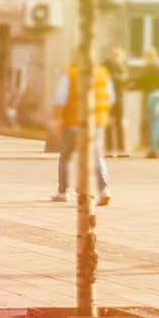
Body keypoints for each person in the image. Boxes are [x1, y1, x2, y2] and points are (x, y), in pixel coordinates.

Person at [51, 52, 113, 205]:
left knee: (66, 156)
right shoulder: (103, 73)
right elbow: (110, 98)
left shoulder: (70, 74)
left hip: (74, 122)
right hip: (96, 122)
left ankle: (62, 191)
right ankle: (103, 190)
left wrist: (57, 119)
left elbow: (60, 97)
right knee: (95, 155)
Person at [103, 47, 128, 155]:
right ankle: (121, 150)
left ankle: (109, 150)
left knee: (108, 124)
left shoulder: (105, 65)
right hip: (116, 99)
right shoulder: (117, 66)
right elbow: (122, 82)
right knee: (118, 124)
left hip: (107, 98)